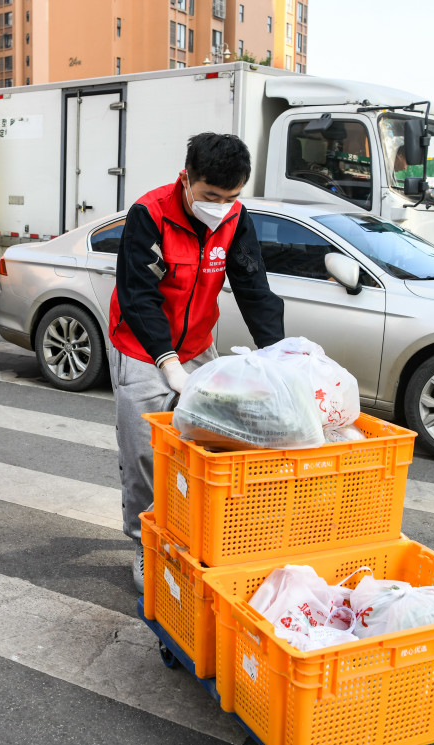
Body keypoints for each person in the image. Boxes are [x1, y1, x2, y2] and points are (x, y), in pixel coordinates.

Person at [108, 133, 284, 592]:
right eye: (210, 196)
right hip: (142, 350)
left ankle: (192, 538)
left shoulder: (234, 219)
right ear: (187, 179)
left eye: (231, 197)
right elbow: (138, 296)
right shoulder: (149, 215)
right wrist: (167, 363)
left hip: (198, 347)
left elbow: (254, 288)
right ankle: (145, 547)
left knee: (203, 449)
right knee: (144, 455)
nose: (221, 206)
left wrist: (281, 356)